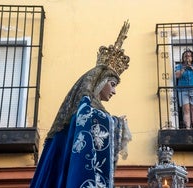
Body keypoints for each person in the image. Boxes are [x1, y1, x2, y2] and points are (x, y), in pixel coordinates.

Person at [30, 21, 132, 188]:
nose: (114, 91)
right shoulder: (85, 108)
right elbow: (90, 124)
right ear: (100, 81)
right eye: (112, 84)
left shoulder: (86, 109)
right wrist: (117, 124)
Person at [175, 49, 193, 129]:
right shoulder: (179, 66)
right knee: (186, 110)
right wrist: (184, 68)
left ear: (192, 58)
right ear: (183, 58)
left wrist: (191, 68)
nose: (187, 58)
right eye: (186, 56)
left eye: (189, 56)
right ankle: (188, 128)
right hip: (183, 90)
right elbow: (177, 75)